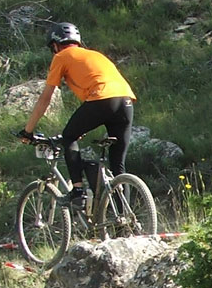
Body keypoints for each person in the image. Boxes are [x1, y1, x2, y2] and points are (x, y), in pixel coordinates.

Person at [19, 22, 137, 211]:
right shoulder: (95, 55)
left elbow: (45, 99)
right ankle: (124, 219)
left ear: (55, 45)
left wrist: (27, 131)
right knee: (118, 166)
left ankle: (78, 191)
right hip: (126, 101)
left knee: (68, 137)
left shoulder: (61, 56)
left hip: (101, 99)